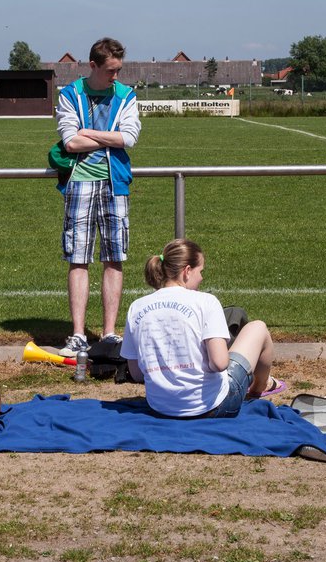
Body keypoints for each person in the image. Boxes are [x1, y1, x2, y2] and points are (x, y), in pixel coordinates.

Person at [120, 238, 286, 418]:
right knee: (258, 327)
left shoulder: (137, 307)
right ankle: (259, 387)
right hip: (213, 407)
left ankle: (261, 384)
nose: (202, 277)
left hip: (159, 408)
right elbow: (219, 363)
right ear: (187, 271)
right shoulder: (205, 301)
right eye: (201, 271)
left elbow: (136, 373)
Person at [55, 36, 142, 355]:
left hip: (115, 183)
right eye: (110, 71)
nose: (115, 77)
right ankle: (78, 333)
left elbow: (129, 138)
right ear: (92, 66)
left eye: (119, 70)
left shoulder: (126, 96)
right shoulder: (70, 94)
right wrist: (109, 139)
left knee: (114, 256)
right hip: (79, 182)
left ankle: (108, 334)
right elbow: (69, 143)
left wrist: (88, 133)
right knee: (78, 257)